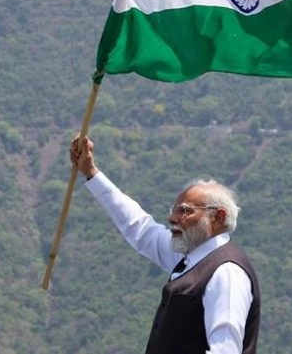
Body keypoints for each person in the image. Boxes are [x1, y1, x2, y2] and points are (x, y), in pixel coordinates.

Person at [70, 136, 260, 354]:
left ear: (218, 217)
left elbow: (225, 350)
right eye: (174, 210)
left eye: (185, 211)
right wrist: (91, 173)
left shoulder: (225, 273)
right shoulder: (192, 258)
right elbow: (140, 228)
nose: (173, 219)